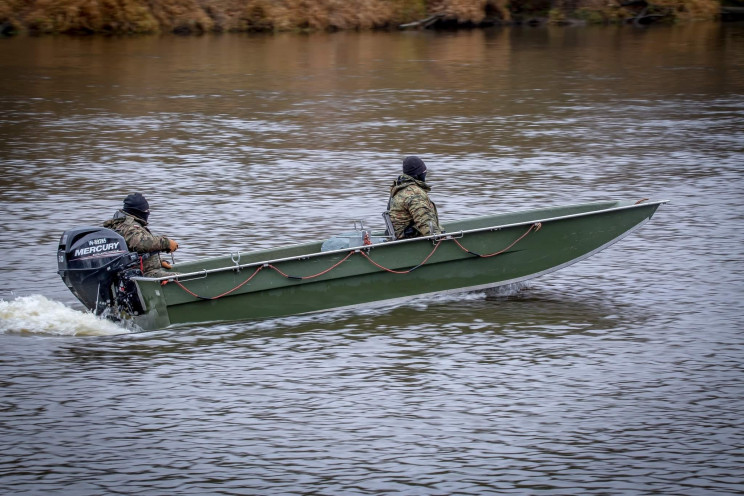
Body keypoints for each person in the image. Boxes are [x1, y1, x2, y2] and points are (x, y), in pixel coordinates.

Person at [103, 193, 179, 278]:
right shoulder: (128, 226)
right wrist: (166, 243)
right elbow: (140, 243)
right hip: (142, 275)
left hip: (140, 271)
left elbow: (132, 253)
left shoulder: (120, 224)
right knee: (181, 278)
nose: (148, 213)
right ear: (138, 211)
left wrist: (158, 262)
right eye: (146, 210)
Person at [388, 156, 443, 239]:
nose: (425, 173)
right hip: (409, 240)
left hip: (400, 236)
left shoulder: (400, 188)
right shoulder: (414, 193)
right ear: (418, 174)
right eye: (424, 171)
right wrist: (439, 238)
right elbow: (424, 221)